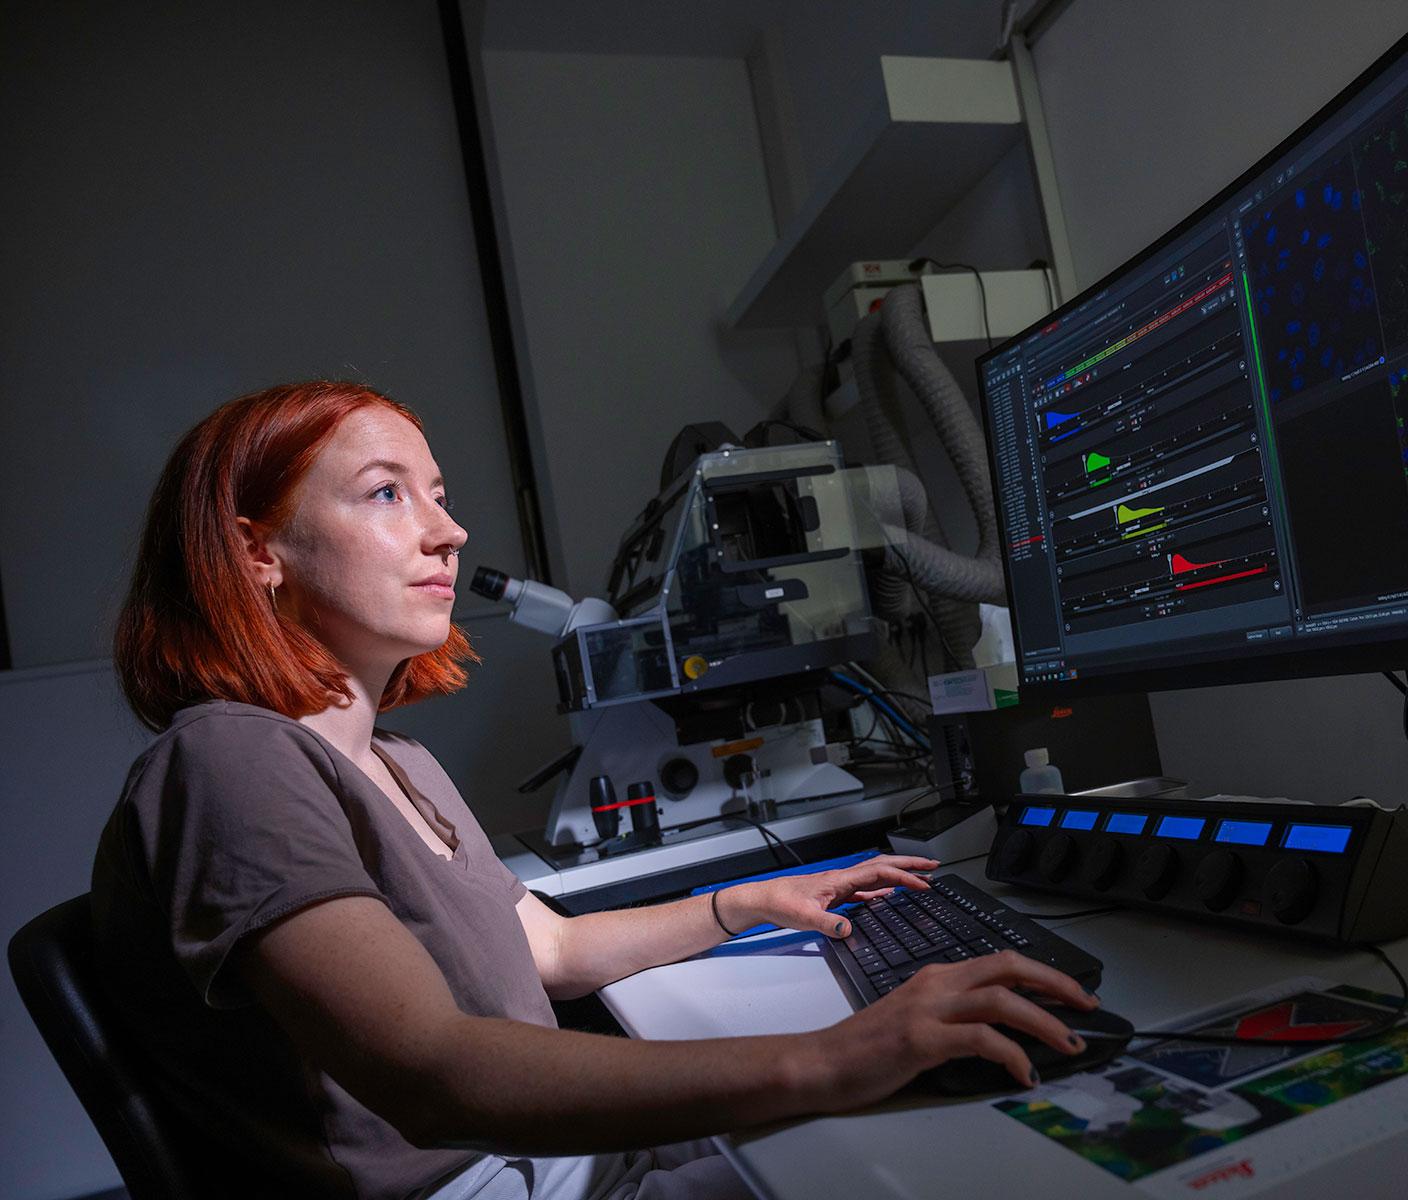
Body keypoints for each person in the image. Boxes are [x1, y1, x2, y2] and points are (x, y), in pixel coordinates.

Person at [90, 381, 1098, 1200]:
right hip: (491, 1179)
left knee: (979, 1123)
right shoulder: (228, 760)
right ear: (257, 551)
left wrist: (746, 904)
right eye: (387, 494)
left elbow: (552, 949)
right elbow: (433, 1076)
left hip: (562, 1161)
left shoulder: (399, 762)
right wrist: (834, 1055)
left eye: (440, 494)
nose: (450, 532)